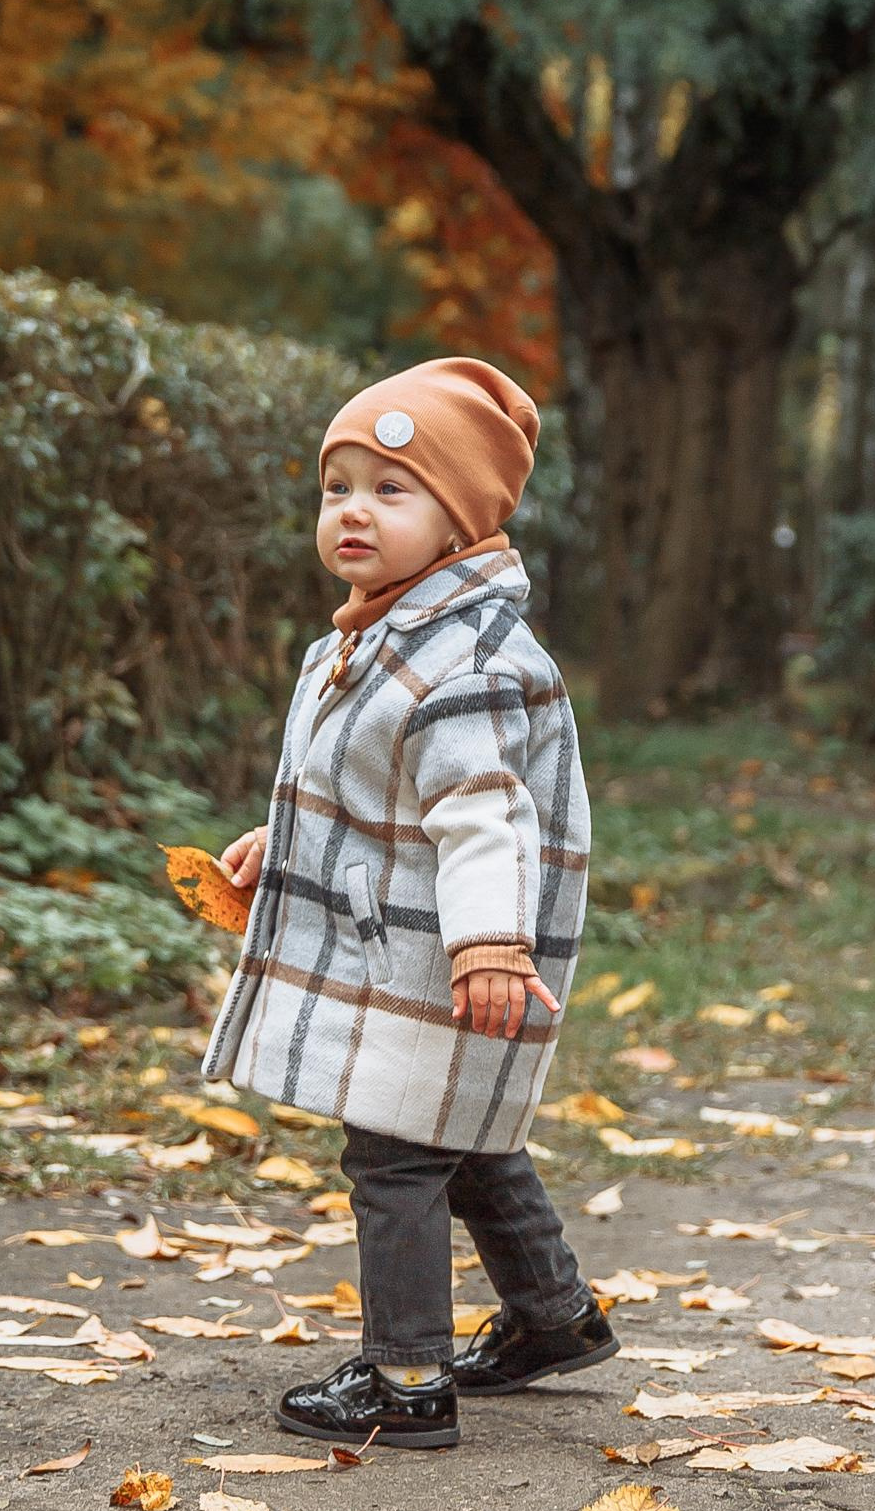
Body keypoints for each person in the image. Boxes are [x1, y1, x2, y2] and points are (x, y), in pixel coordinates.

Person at [206, 356, 613, 1451]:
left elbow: (482, 812)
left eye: (391, 490)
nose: (352, 511)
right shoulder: (372, 637)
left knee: (392, 1154)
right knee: (462, 1132)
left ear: (458, 517)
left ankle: (406, 1376)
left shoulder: (464, 658)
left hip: (446, 946)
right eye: (336, 487)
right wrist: (278, 840)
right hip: (411, 937)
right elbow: (363, 786)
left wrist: (486, 941)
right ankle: (554, 1316)